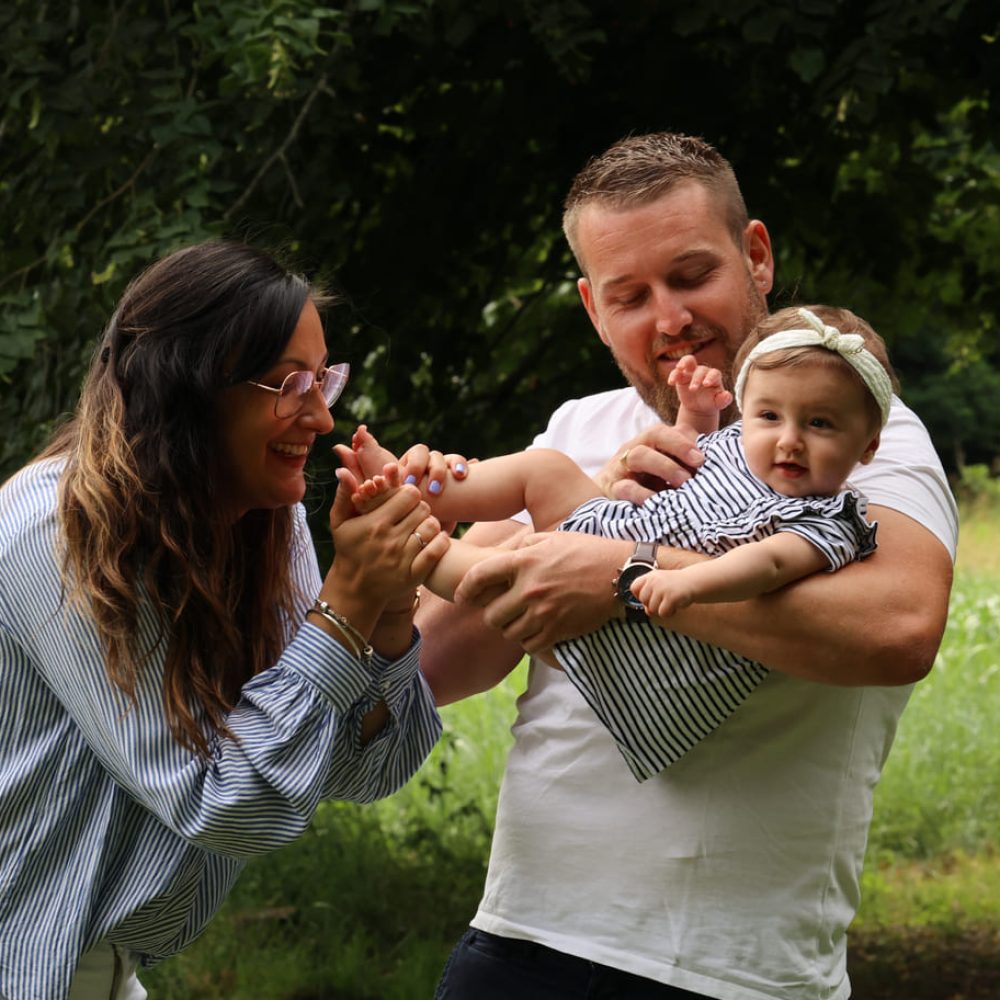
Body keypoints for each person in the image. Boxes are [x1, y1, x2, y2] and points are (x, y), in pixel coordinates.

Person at [420, 133, 958, 999]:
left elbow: (897, 631)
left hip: (733, 972)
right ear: (594, 309)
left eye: (691, 275)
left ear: (756, 257)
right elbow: (438, 663)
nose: (669, 318)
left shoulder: (854, 432)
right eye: (630, 296)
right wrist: (563, 508)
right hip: (519, 940)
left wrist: (622, 571)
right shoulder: (577, 430)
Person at [0, 241, 448, 999]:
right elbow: (225, 803)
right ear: (189, 386)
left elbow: (363, 769)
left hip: (94, 969)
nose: (321, 415)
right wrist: (345, 601)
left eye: (324, 378)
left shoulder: (266, 520)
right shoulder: (59, 528)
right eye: (290, 383)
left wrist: (390, 602)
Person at [345, 304, 892, 782]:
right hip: (610, 535)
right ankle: (427, 488)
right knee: (546, 468)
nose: (789, 439)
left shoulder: (831, 519)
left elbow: (769, 563)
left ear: (867, 446)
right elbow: (695, 461)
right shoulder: (743, 444)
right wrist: (696, 414)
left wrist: (682, 582)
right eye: (770, 415)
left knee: (501, 572)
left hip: (637, 639)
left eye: (820, 424)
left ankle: (411, 536)